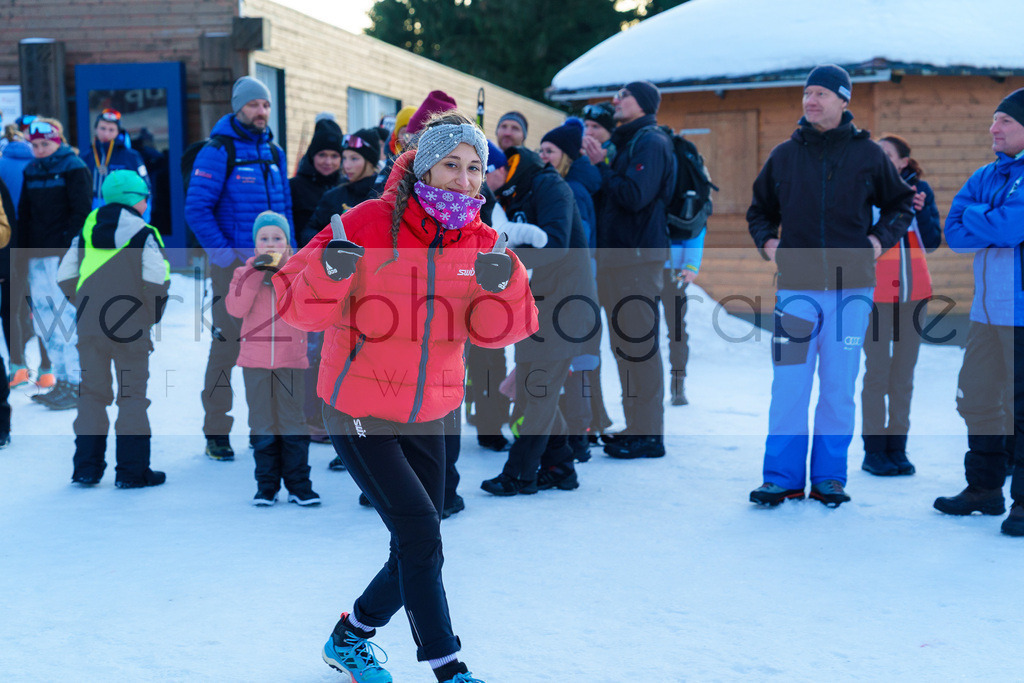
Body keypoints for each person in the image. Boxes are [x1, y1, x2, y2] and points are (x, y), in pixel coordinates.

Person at [275, 111, 538, 683]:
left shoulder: (483, 240)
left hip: (433, 409)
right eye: (451, 164)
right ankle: (450, 667)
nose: (464, 179)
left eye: (475, 168)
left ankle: (352, 637)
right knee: (420, 531)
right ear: (424, 164)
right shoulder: (365, 223)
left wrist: (505, 286)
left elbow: (496, 332)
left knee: (419, 536)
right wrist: (328, 268)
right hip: (357, 405)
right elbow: (294, 305)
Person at [746, 65, 914, 508]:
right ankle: (780, 477)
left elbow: (900, 204)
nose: (811, 101)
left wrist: (877, 242)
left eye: (821, 93)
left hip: (851, 291)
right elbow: (758, 210)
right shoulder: (785, 154)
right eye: (807, 93)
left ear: (843, 101)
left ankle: (829, 477)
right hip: (795, 291)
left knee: (838, 385)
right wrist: (770, 245)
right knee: (789, 385)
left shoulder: (868, 156)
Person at [481, 137, 597, 496]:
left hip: (567, 303)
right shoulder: (507, 193)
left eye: (480, 172)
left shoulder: (548, 185)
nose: (478, 182)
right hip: (535, 302)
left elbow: (557, 245)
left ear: (499, 167)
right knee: (531, 389)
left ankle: (519, 473)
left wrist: (507, 261)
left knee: (539, 389)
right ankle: (561, 466)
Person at [185, 75, 293, 461]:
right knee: (226, 350)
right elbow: (196, 210)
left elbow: (285, 211)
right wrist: (227, 258)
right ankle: (216, 432)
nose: (261, 111)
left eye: (265, 105)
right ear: (238, 108)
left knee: (273, 347)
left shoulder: (274, 153)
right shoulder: (218, 150)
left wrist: (290, 258)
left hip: (276, 271)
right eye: (253, 105)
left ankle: (265, 430)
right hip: (234, 272)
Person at [934, 89, 1024, 537]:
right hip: (987, 314)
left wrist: (978, 214)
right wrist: (984, 213)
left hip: (1022, 316)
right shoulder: (986, 175)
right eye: (993, 120)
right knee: (977, 400)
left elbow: (1010, 229)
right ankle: (984, 490)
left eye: (1005, 121)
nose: (994, 128)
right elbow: (955, 234)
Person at [56, 170, 170, 487]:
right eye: (145, 197)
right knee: (132, 397)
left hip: (90, 328)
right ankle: (133, 472)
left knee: (92, 395)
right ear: (136, 200)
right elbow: (156, 283)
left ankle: (86, 468)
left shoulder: (86, 230)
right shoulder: (145, 234)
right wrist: (148, 317)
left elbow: (64, 276)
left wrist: (85, 307)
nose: (147, 203)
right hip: (131, 330)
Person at [581, 80, 676, 459]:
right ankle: (636, 427)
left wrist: (601, 165)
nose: (616, 100)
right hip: (618, 260)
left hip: (637, 260)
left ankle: (649, 434)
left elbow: (635, 196)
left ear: (644, 104)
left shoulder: (651, 142)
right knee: (626, 348)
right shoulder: (627, 141)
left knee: (639, 348)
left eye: (625, 96)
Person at [860, 134, 942, 477]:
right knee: (877, 374)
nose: (879, 157)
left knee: (903, 376)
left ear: (904, 162)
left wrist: (920, 214)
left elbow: (934, 240)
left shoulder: (920, 193)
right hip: (876, 296)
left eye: (887, 153)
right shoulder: (863, 191)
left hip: (915, 295)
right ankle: (874, 451)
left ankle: (898, 448)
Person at [225, 211, 319, 506]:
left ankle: (299, 484)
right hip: (255, 363)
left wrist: (282, 274)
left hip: (291, 361)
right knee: (262, 423)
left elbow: (306, 307)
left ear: (288, 245)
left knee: (293, 422)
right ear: (255, 247)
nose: (270, 244)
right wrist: (256, 273)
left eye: (276, 238)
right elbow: (235, 309)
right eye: (263, 239)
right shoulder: (243, 274)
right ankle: (266, 485)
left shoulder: (297, 271)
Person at [538, 118, 603, 461]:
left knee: (575, 360)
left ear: (564, 156)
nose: (542, 156)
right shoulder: (569, 185)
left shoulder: (571, 190)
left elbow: (578, 242)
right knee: (578, 359)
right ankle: (579, 432)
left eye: (549, 151)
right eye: (540, 150)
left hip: (575, 283)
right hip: (577, 280)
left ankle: (577, 437)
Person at [17, 118, 91, 410]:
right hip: (37, 255)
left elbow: (82, 211)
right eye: (34, 145)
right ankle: (60, 379)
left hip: (62, 254)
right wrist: (22, 253)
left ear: (57, 142)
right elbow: (24, 213)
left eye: (44, 144)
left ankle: (77, 382)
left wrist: (69, 246)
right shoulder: (30, 169)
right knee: (46, 319)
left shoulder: (74, 167)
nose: (39, 150)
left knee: (65, 318)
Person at [80, 108, 150, 212]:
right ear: (96, 129)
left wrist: (142, 212)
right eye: (102, 128)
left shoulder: (130, 156)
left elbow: (144, 186)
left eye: (111, 130)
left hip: (121, 208)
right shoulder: (86, 156)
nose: (106, 134)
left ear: (118, 132)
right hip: (91, 209)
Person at [290, 113, 344, 247]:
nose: (328, 161)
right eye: (322, 155)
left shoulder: (346, 187)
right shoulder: (294, 187)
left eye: (334, 156)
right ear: (312, 156)